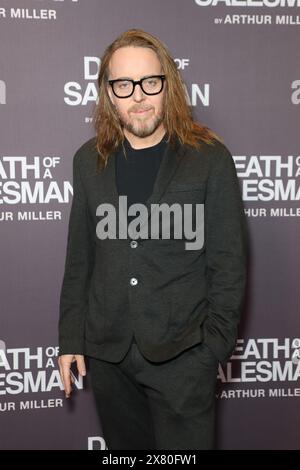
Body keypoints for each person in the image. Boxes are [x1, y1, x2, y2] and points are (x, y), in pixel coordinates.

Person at [58, 28, 248, 450]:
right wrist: (72, 338)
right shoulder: (88, 161)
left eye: (150, 82)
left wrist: (211, 349)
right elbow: (80, 258)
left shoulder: (209, 158)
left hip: (184, 356)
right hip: (108, 356)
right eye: (123, 85)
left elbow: (228, 262)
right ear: (109, 93)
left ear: (168, 85)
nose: (138, 96)